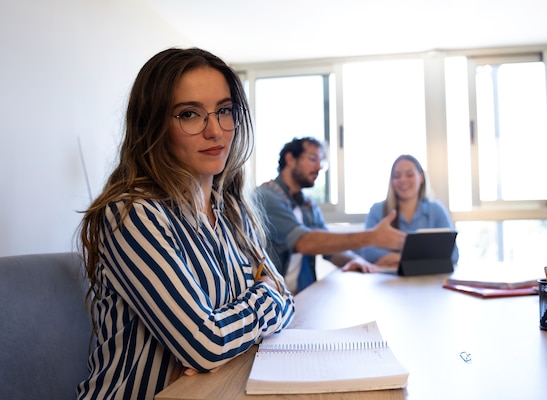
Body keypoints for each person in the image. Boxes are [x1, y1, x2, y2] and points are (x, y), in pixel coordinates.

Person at [76, 48, 295, 400]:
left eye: (224, 111)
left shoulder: (232, 212)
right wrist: (262, 298)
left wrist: (230, 330)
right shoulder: (134, 214)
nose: (215, 131)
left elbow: (286, 298)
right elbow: (206, 346)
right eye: (190, 114)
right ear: (154, 125)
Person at [256, 137, 406, 294]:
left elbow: (330, 248)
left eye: (321, 162)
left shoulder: (308, 204)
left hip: (301, 296)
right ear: (290, 159)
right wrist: (372, 237)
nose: (319, 167)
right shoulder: (266, 197)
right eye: (313, 159)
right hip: (271, 300)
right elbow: (304, 242)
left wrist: (356, 260)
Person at [360, 154, 459, 267]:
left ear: (421, 177)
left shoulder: (436, 210)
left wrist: (402, 258)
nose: (403, 180)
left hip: (428, 280)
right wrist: (425, 257)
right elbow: (367, 253)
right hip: (388, 280)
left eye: (409, 174)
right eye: (397, 176)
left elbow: (453, 254)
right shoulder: (377, 211)